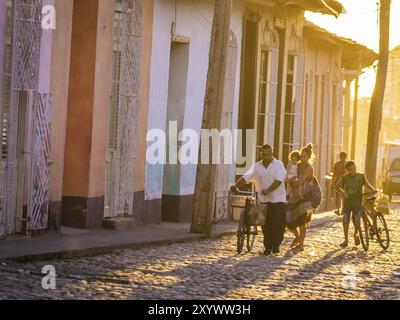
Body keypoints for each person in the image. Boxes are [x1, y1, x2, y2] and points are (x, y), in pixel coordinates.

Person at [231, 144, 287, 256]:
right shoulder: (256, 167)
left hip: (278, 199)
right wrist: (236, 185)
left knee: (278, 224)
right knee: (265, 225)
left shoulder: (278, 164)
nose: (266, 156)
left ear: (272, 154)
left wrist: (268, 190)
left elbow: (279, 180)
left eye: (268, 154)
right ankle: (268, 247)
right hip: (264, 200)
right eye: (264, 154)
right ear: (261, 154)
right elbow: (246, 177)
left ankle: (276, 244)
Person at [335, 161, 377, 248]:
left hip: (357, 202)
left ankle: (356, 234)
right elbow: (336, 187)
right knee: (346, 219)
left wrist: (373, 190)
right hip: (347, 203)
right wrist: (343, 193)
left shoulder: (361, 176)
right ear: (347, 170)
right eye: (350, 169)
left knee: (356, 220)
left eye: (354, 168)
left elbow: (368, 185)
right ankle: (346, 240)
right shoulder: (344, 177)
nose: (353, 171)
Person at [287, 144, 315, 252]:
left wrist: (292, 183)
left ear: (308, 157)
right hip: (294, 196)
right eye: (301, 156)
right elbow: (289, 175)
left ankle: (301, 244)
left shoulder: (309, 168)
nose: (302, 158)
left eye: (304, 156)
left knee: (302, 221)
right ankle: (297, 237)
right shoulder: (296, 165)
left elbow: (299, 181)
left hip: (304, 197)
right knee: (288, 218)